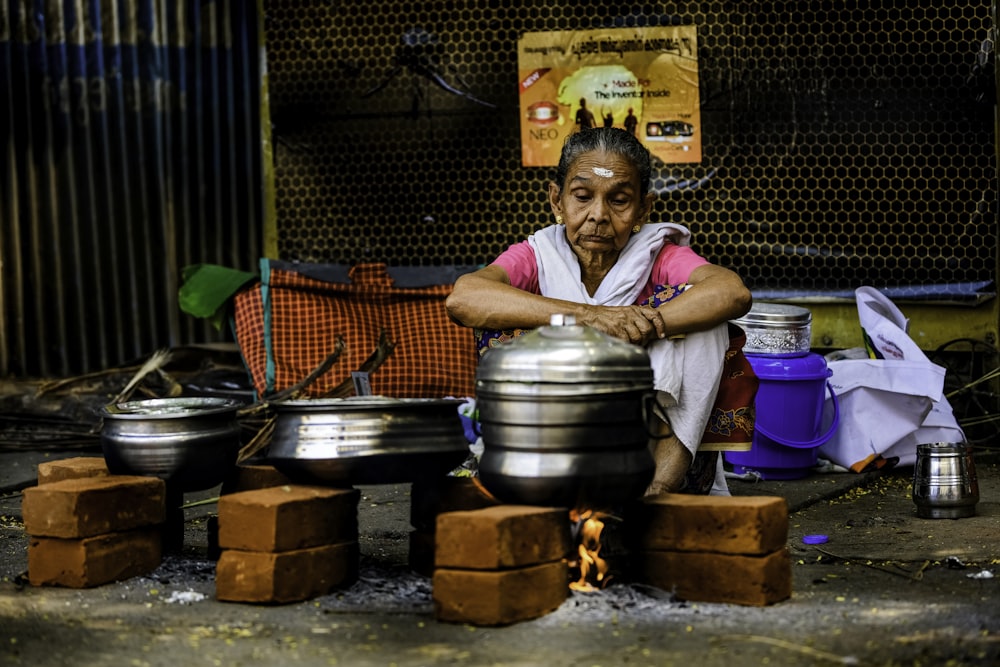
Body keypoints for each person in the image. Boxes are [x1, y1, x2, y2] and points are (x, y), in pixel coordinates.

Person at [446, 127, 753, 496]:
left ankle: (659, 488)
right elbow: (464, 299)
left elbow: (731, 292)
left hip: (645, 447)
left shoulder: (656, 252)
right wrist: (593, 318)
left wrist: (640, 327)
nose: (598, 215)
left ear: (643, 208)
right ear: (557, 201)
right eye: (582, 197)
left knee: (703, 317)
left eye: (619, 200)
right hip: (554, 449)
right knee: (499, 322)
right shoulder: (538, 253)